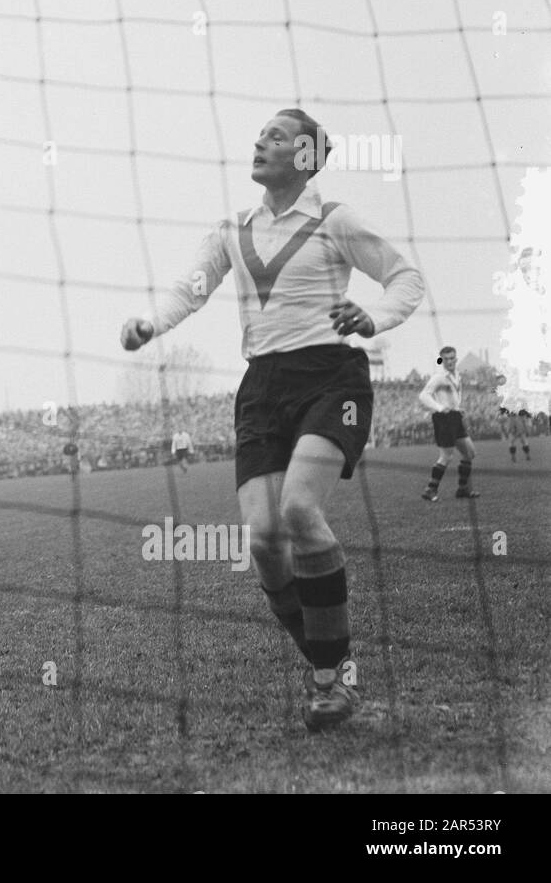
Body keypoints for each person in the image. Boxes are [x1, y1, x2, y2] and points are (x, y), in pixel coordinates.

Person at [120, 109, 424, 731]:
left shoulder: (334, 220)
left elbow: (406, 277)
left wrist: (374, 318)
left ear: (307, 157)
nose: (260, 141)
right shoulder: (233, 228)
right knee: (262, 540)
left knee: (297, 511)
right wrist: (150, 323)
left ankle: (327, 683)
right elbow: (192, 287)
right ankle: (333, 666)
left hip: (330, 378)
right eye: (260, 134)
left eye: (278, 136)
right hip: (261, 388)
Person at [417, 347, 479, 501]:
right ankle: (430, 489)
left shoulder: (457, 375)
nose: (450, 361)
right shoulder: (439, 377)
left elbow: (453, 396)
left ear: (456, 359)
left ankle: (462, 489)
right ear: (442, 360)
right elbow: (423, 395)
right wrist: (439, 407)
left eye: (452, 358)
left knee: (469, 452)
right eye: (446, 359)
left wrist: (457, 408)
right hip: (443, 419)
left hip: (455, 417)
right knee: (446, 456)